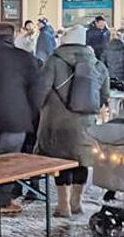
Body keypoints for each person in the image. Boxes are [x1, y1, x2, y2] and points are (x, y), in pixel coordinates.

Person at [35, 24, 110, 217]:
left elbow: (40, 91)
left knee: (62, 162)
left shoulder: (53, 61)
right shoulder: (97, 64)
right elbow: (104, 95)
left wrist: (40, 108)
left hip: (57, 123)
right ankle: (77, 203)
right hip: (86, 124)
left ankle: (63, 206)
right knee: (81, 161)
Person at [0, 23, 39, 213]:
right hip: (16, 115)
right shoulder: (25, 58)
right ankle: (3, 201)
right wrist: (34, 115)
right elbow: (35, 91)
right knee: (9, 158)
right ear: (12, 37)